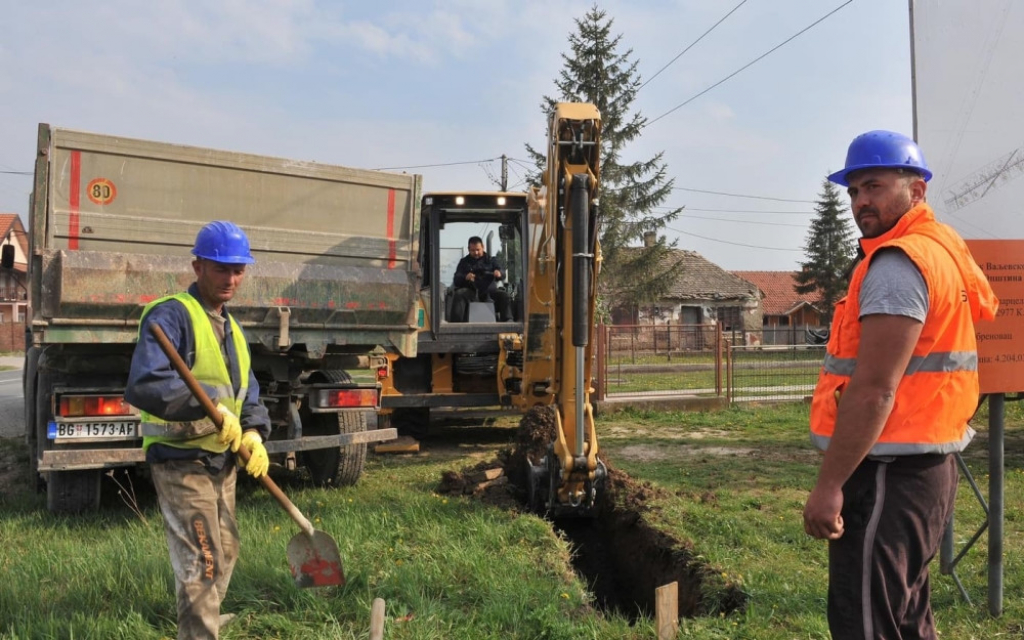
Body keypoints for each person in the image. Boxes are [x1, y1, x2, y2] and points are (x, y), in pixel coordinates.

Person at [803, 130, 998, 640]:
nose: (860, 201)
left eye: (874, 186)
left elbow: (874, 390)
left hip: (887, 476)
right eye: (853, 191)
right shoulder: (940, 252)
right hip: (923, 471)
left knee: (867, 624)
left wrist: (828, 487)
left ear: (916, 191)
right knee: (904, 619)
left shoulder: (898, 264)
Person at [126, 220, 272, 640]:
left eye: (238, 270)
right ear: (198, 267)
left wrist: (253, 430)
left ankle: (203, 616)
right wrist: (209, 406)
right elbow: (147, 383)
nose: (231, 279)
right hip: (180, 459)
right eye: (221, 268)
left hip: (221, 460)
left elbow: (246, 390)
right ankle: (199, 631)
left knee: (226, 549)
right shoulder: (171, 315)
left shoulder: (233, 329)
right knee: (203, 560)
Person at [450, 235, 511, 322]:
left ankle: (508, 321)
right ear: (468, 249)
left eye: (478, 250)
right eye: (473, 250)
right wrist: (465, 277)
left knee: (504, 295)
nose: (476, 253)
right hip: (471, 292)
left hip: (490, 292)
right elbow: (456, 279)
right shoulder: (464, 262)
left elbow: (502, 273)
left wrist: (499, 273)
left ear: (483, 247)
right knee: (459, 294)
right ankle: (456, 324)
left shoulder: (492, 260)